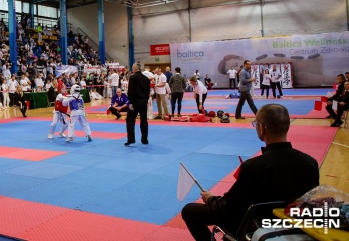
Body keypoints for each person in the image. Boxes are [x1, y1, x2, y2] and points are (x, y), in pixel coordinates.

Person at [181, 104, 319, 240]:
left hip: (254, 224)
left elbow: (229, 206)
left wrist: (210, 198)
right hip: (295, 223)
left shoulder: (254, 167)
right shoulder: (310, 163)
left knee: (189, 211)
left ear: (261, 128)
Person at [125, 63, 150, 145]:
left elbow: (131, 91)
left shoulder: (133, 77)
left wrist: (130, 102)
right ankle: (144, 139)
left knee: (130, 120)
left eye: (132, 68)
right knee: (144, 120)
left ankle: (131, 139)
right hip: (144, 101)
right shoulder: (146, 78)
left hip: (135, 101)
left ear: (135, 69)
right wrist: (146, 99)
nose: (132, 69)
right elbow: (148, 91)